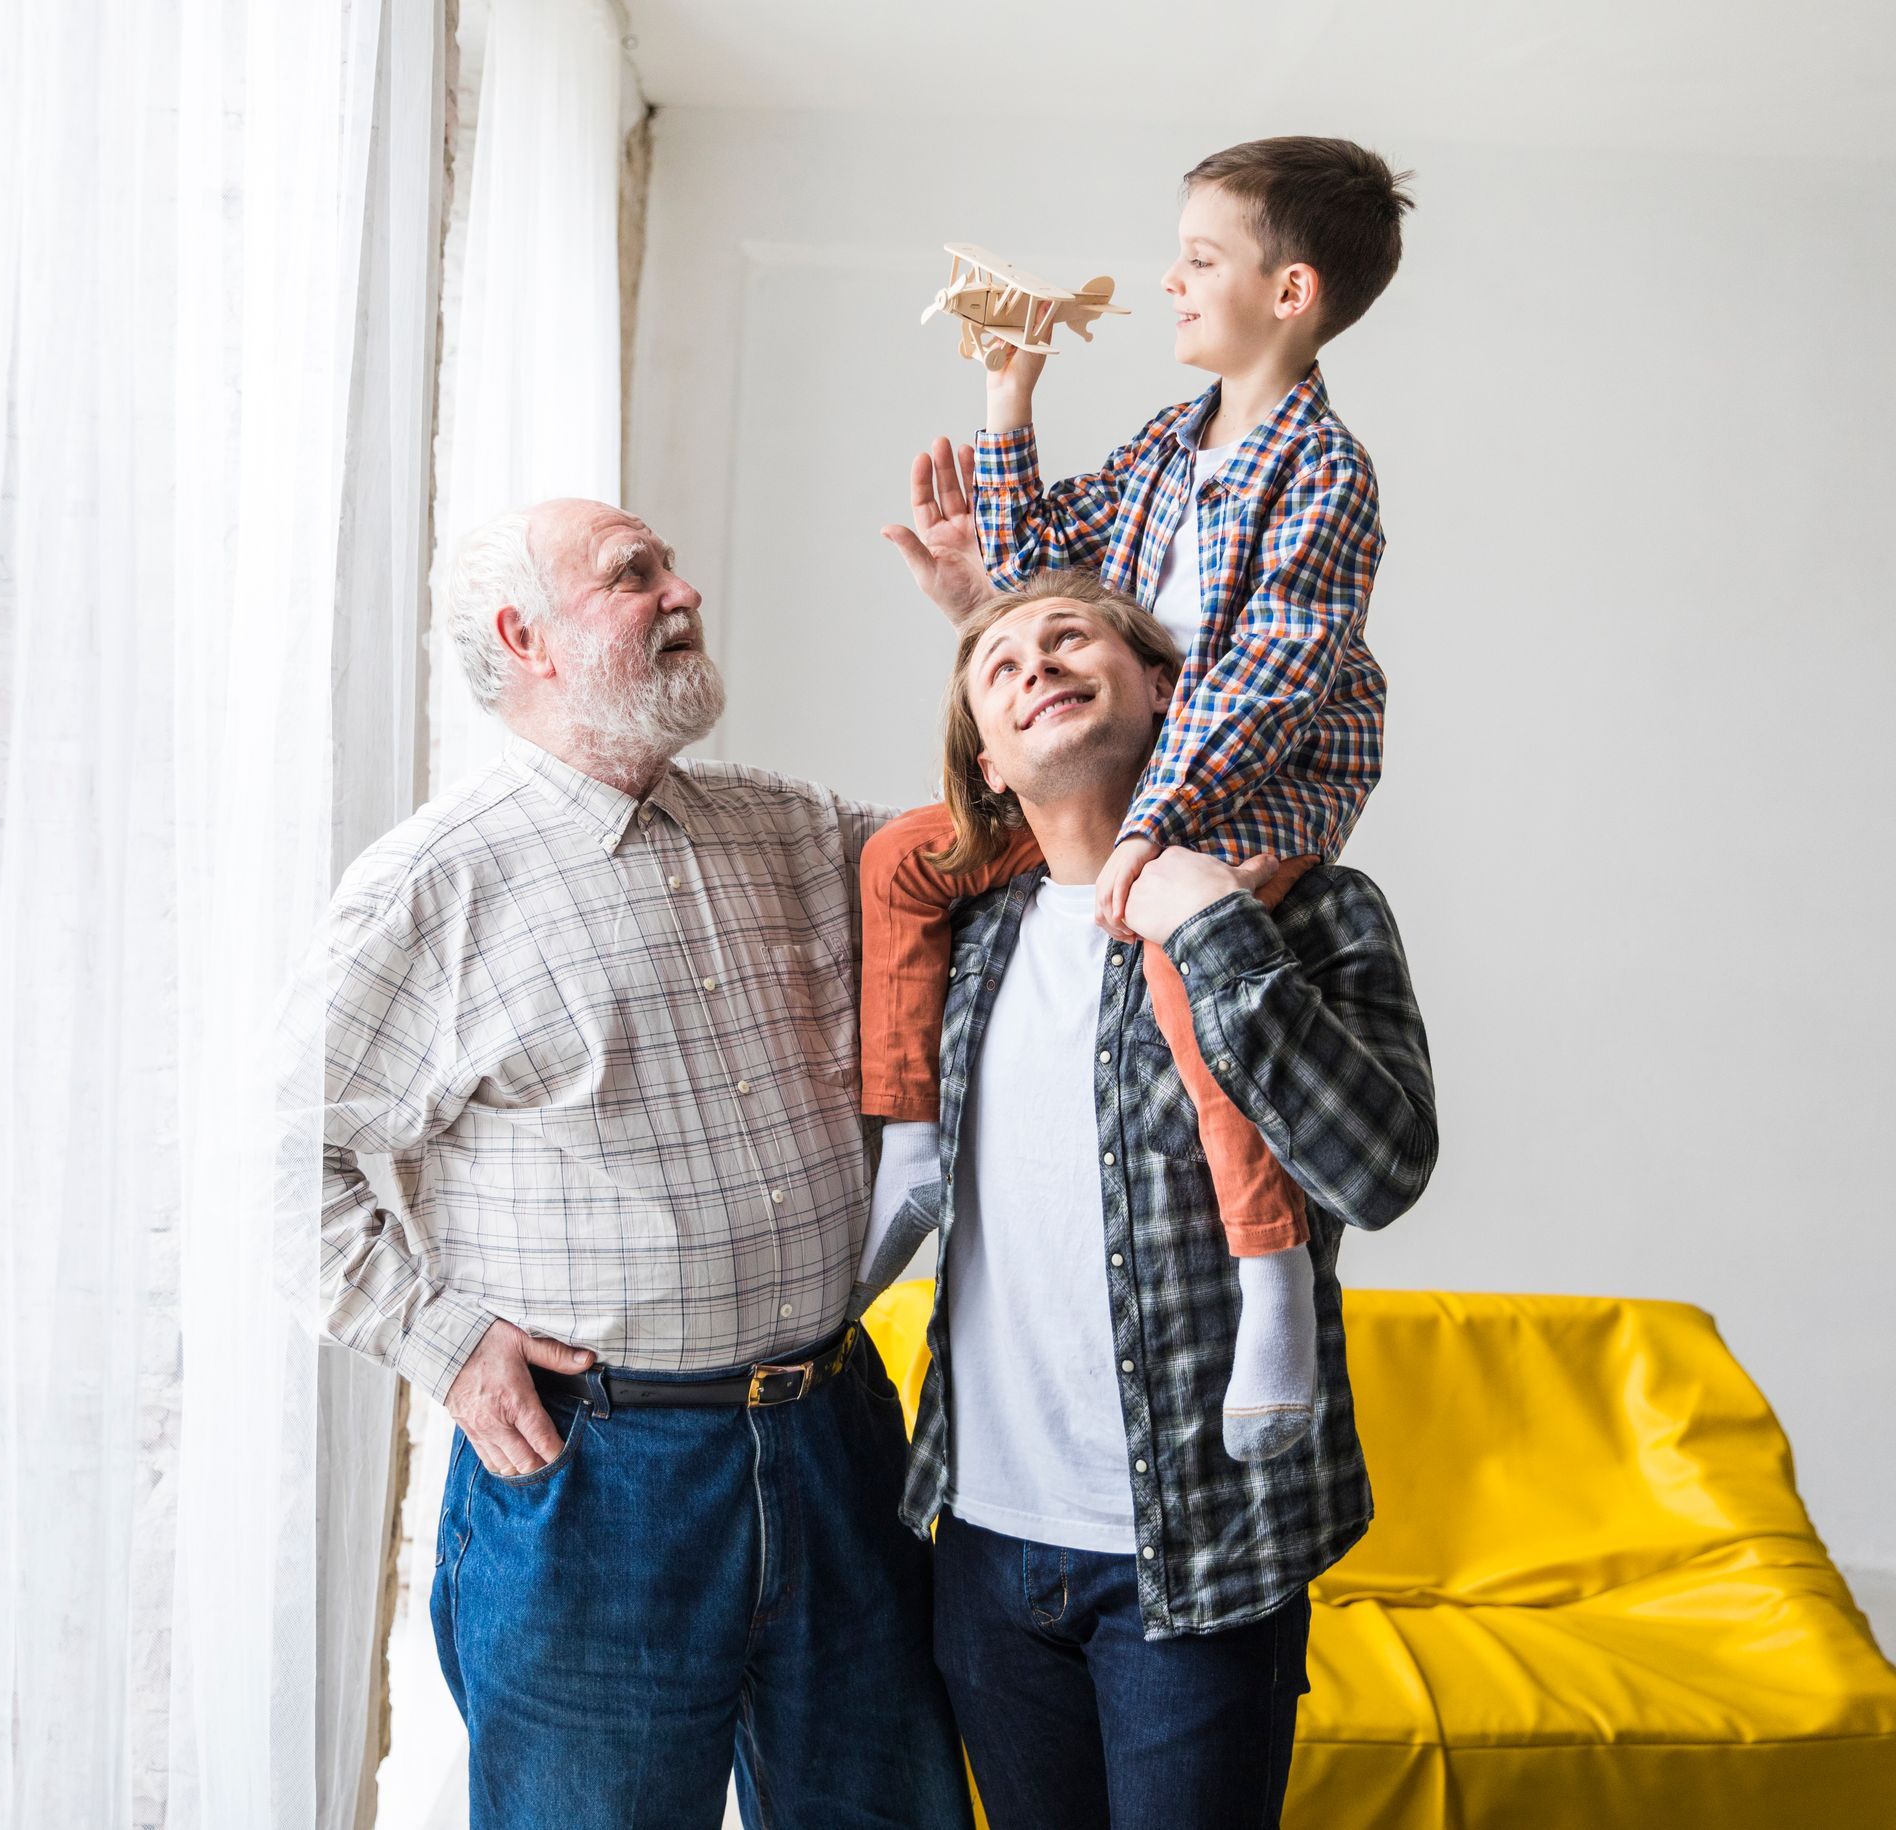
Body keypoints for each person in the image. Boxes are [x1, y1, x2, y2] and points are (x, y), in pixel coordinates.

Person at [286, 499, 972, 1830]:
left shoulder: (795, 828)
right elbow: (280, 1168)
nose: (682, 590)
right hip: (600, 1476)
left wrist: (984, 619)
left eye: (668, 565)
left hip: (837, 1438)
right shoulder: (434, 885)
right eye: (633, 573)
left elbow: (1014, 833)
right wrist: (444, 1335)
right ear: (522, 637)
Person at [852, 570, 1438, 1829]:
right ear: (992, 767)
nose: (1037, 664)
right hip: (982, 1544)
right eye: (999, 668)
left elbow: (1382, 1172)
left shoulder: (1313, 907)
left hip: (1204, 1551)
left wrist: (1216, 925)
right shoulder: (967, 940)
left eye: (1072, 638)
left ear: (1167, 692)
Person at [864, 137, 1415, 1461]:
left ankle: (1272, 1277)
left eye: (1201, 260)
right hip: (1140, 790)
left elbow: (1266, 687)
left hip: (1254, 786)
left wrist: (1157, 832)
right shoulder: (1176, 443)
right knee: (897, 857)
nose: (1171, 281)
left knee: (1180, 942)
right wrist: (1011, 396)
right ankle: (908, 1152)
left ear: (1289, 293)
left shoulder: (1322, 473)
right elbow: (1044, 579)